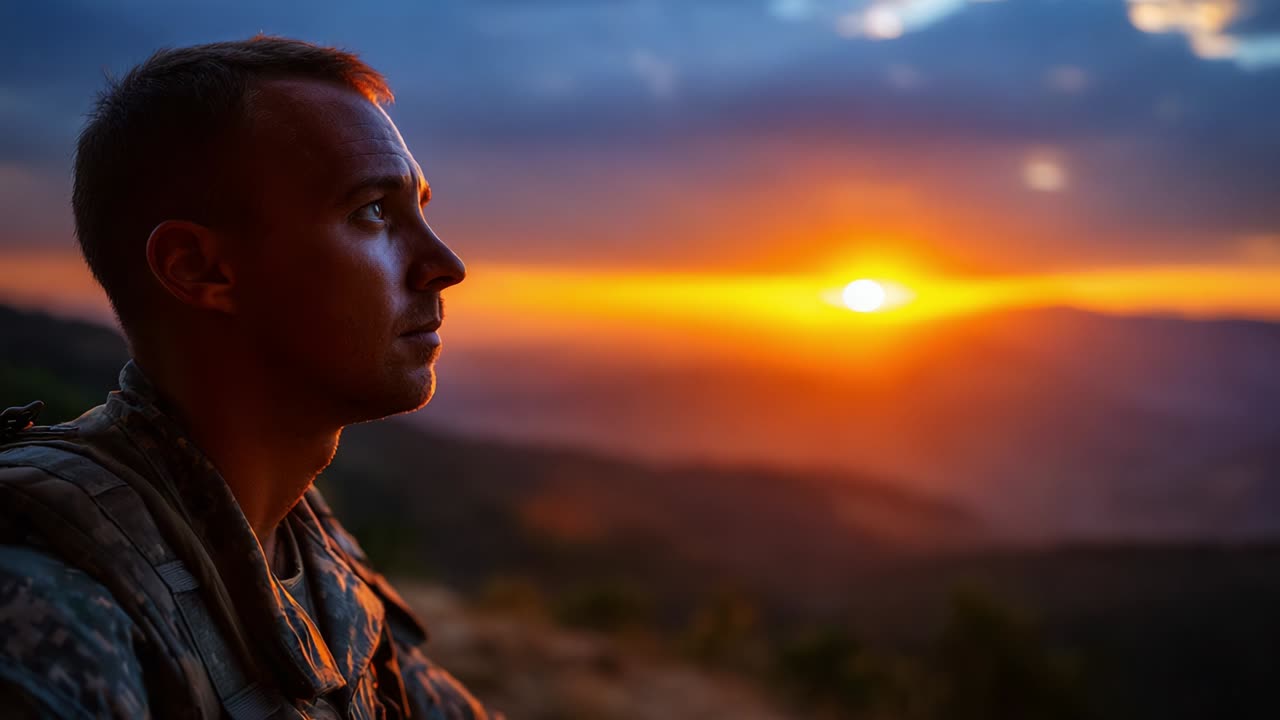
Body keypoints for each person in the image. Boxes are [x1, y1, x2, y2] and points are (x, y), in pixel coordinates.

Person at [0, 36, 500, 719]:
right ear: (198, 269)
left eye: (420, 207)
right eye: (372, 211)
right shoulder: (44, 617)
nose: (445, 263)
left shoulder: (311, 551)